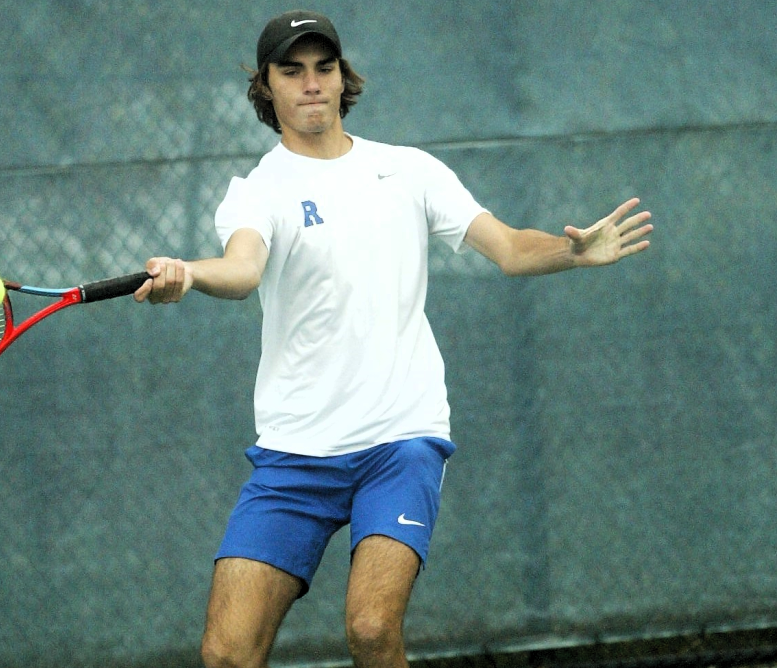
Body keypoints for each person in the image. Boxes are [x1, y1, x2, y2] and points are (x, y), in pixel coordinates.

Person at [134, 9, 653, 668]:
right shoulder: (257, 191)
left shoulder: (409, 172)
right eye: (291, 71)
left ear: (342, 76)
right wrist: (189, 276)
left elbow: (513, 249)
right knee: (227, 653)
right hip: (295, 453)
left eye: (323, 67)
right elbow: (241, 269)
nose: (311, 83)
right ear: (267, 88)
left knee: (374, 630)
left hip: (400, 441)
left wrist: (573, 252)